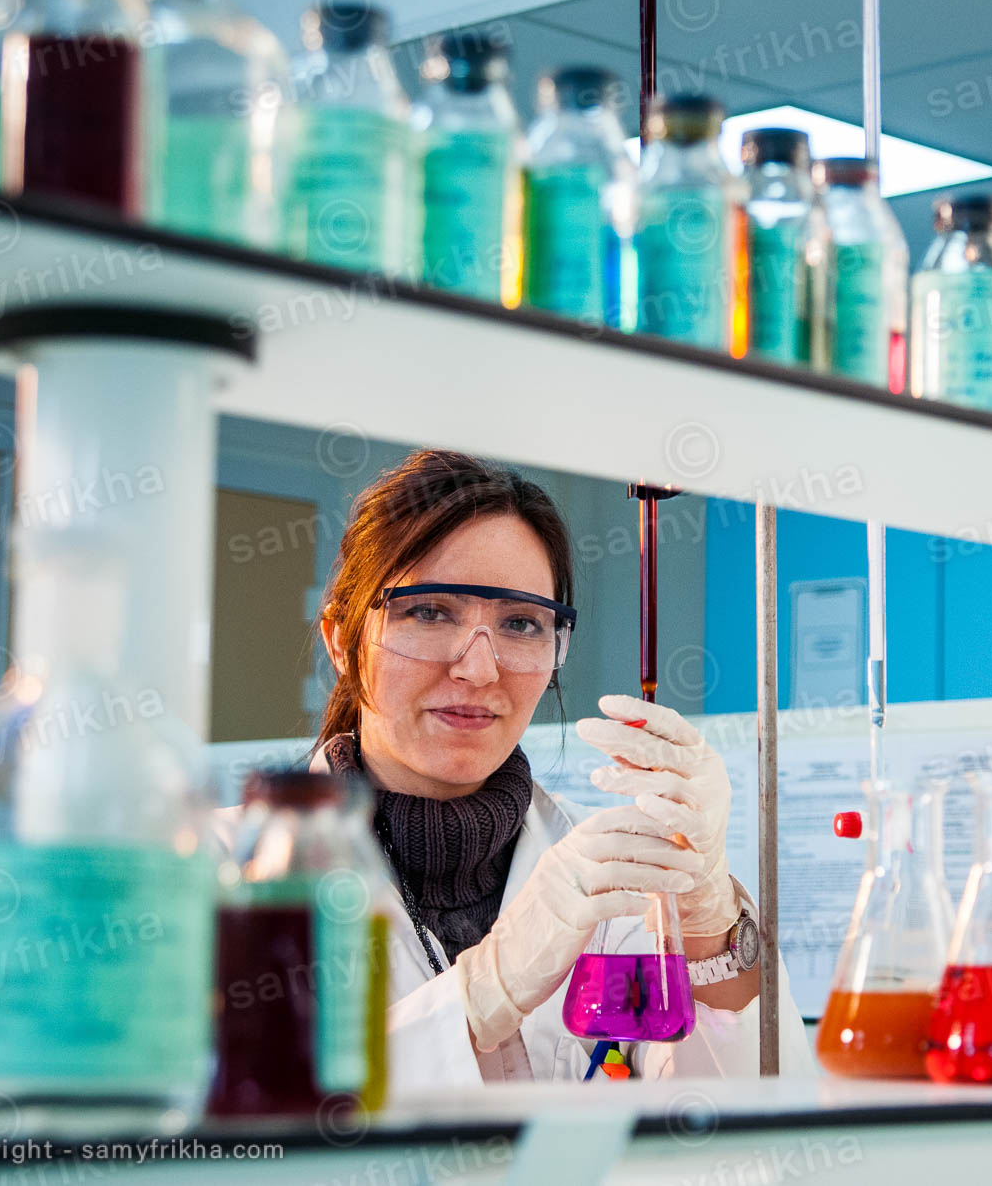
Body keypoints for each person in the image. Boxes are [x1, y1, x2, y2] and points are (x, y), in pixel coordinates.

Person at [300, 449, 807, 1090]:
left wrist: (709, 926)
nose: (480, 669)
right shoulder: (229, 873)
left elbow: (756, 1129)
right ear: (342, 640)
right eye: (428, 612)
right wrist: (485, 992)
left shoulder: (614, 891)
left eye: (520, 623)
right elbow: (230, 1133)